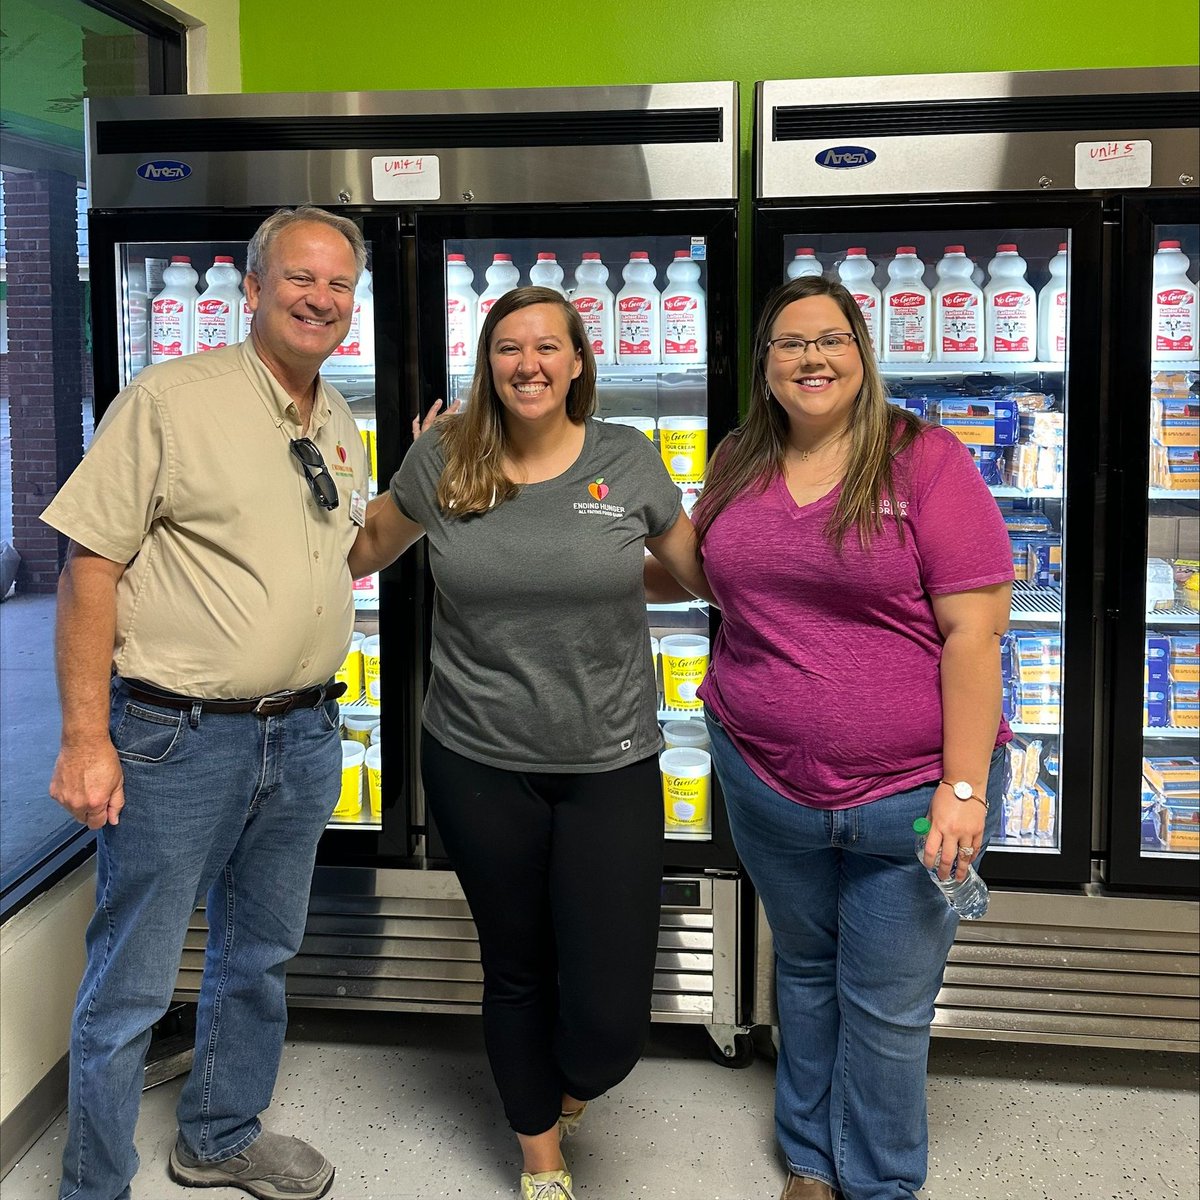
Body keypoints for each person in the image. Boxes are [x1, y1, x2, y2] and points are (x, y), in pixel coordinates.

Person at [349, 285, 710, 1200]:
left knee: (609, 1019)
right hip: (476, 758)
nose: (529, 364)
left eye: (548, 347)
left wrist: (609, 584)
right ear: (489, 364)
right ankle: (540, 1161)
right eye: (509, 348)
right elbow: (358, 554)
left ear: (580, 361)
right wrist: (396, 471)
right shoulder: (446, 458)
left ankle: (573, 1081)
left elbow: (701, 575)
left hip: (611, 760)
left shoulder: (626, 461)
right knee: (514, 965)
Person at [42, 205, 370, 1200]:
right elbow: (89, 565)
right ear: (254, 287)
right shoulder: (171, 400)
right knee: (133, 980)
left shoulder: (337, 416)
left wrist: (426, 495)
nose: (321, 298)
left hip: (305, 732)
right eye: (301, 278)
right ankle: (94, 1183)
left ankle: (220, 1134)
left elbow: (346, 556)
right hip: (174, 737)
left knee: (260, 954)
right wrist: (85, 735)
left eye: (338, 286)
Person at [694, 275, 1012, 1200]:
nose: (812, 359)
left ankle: (876, 1181)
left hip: (910, 793)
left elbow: (974, 631)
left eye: (831, 341)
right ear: (766, 365)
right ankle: (808, 1160)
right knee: (803, 969)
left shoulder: (925, 461)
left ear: (862, 355)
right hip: (765, 779)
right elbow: (709, 578)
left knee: (886, 1004)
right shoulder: (738, 460)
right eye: (790, 344)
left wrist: (962, 787)